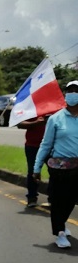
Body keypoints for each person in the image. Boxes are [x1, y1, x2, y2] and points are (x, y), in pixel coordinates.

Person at [33, 80, 78, 249]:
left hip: (77, 168)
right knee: (59, 200)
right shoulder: (55, 119)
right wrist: (36, 168)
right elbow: (45, 144)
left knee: (71, 200)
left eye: (76, 90)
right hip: (60, 168)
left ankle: (62, 222)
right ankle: (59, 232)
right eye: (70, 90)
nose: (73, 93)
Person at [18, 116, 48, 207]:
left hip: (51, 146)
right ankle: (31, 198)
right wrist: (36, 123)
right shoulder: (31, 108)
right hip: (33, 146)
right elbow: (20, 124)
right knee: (33, 171)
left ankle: (53, 199)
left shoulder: (56, 107)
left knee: (55, 171)